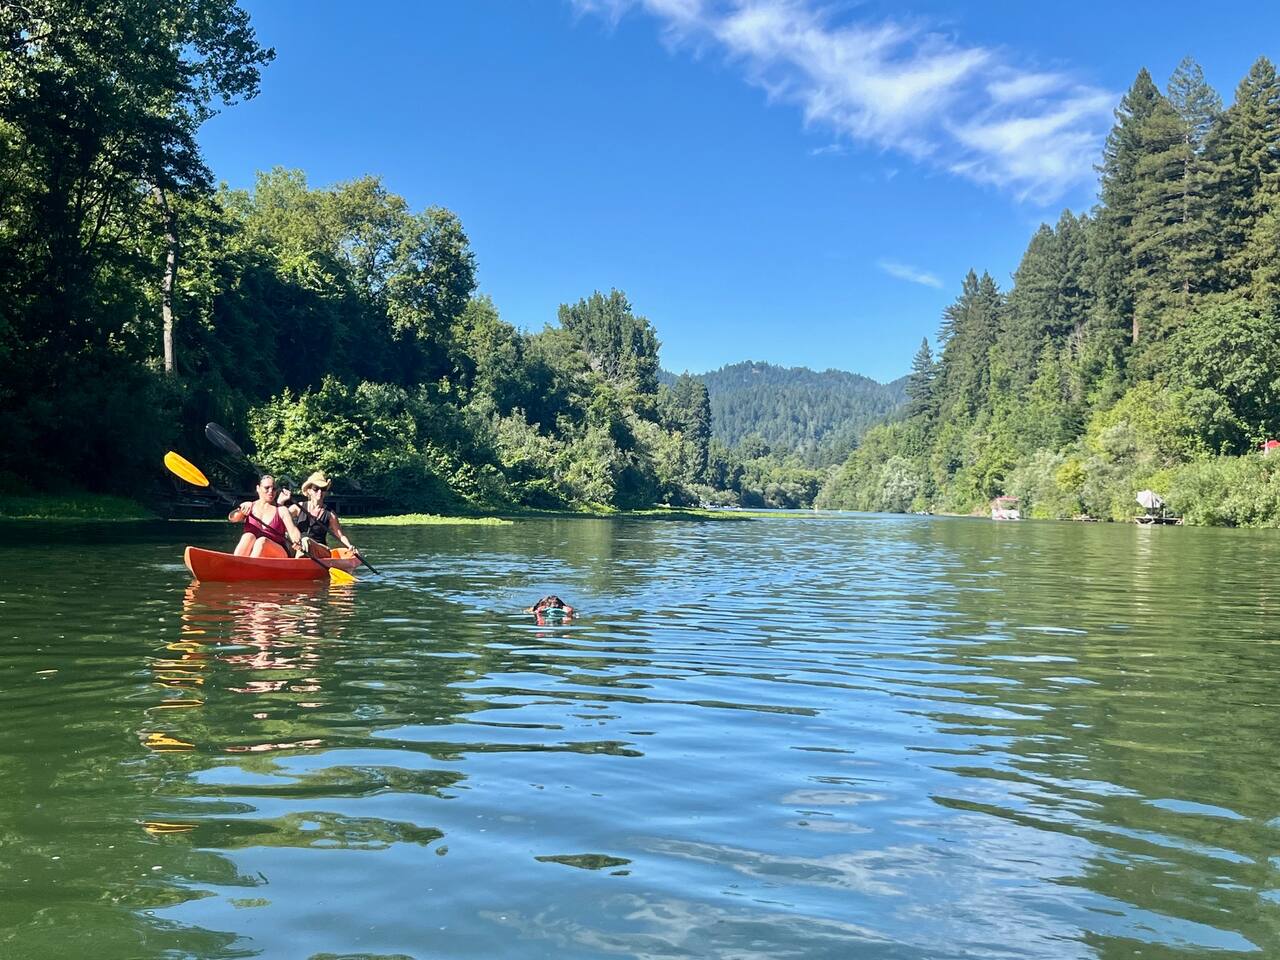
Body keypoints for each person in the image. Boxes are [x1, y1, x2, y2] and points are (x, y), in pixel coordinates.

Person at [229, 474, 305, 558]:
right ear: (258, 488)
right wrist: (240, 510)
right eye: (267, 488)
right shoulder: (249, 506)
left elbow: (293, 530)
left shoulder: (282, 510)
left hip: (279, 553)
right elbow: (233, 518)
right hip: (255, 554)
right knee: (248, 536)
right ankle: (236, 564)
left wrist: (297, 541)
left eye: (274, 489)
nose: (271, 491)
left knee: (262, 541)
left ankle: (249, 567)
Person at [293, 471, 360, 561]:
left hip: (322, 551)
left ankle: (296, 565)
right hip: (300, 548)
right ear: (309, 491)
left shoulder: (330, 514)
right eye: (316, 489)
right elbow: (281, 516)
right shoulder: (298, 507)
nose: (320, 492)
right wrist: (281, 502)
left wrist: (350, 546)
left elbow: (340, 536)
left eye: (323, 489)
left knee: (306, 540)